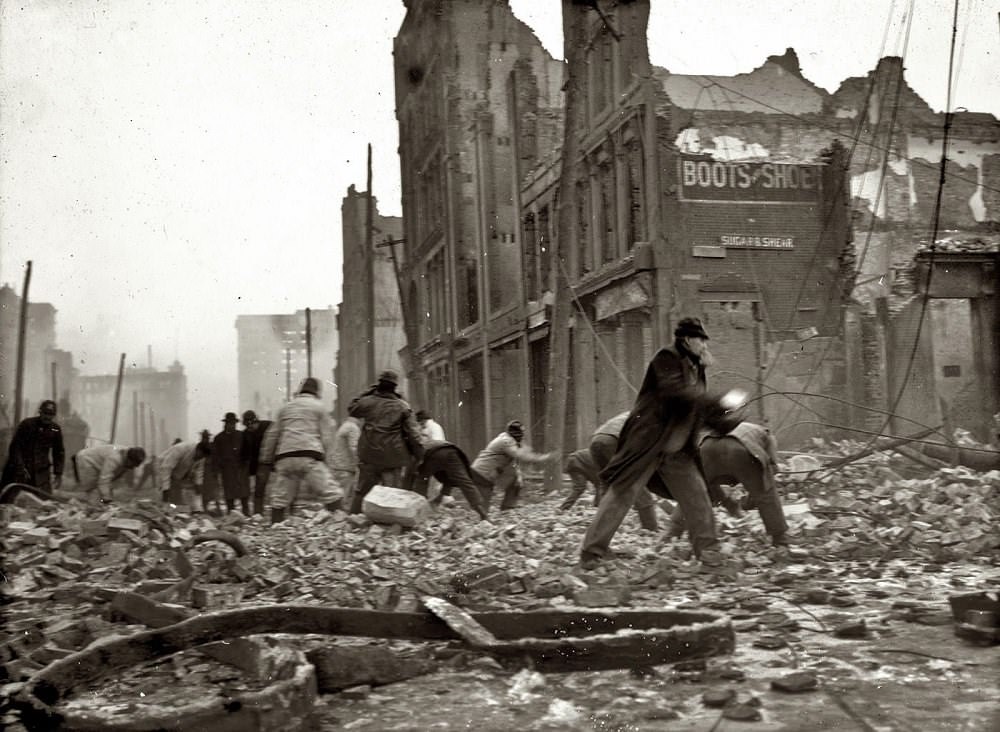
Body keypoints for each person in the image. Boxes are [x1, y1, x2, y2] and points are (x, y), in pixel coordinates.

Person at [580, 317, 722, 571]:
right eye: (701, 340)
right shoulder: (665, 358)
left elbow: (698, 409)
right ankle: (592, 552)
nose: (704, 346)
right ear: (688, 340)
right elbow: (675, 393)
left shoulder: (696, 367)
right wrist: (714, 400)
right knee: (623, 493)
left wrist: (723, 416)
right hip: (649, 443)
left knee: (696, 494)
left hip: (677, 449)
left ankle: (709, 551)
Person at [259, 377, 343, 524]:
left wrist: (266, 459)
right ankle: (340, 528)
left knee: (279, 498)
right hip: (309, 455)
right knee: (331, 493)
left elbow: (272, 435)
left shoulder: (286, 408)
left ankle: (275, 529)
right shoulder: (318, 407)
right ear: (317, 391)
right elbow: (327, 437)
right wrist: (329, 462)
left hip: (285, 457)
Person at [559, 412, 659, 530]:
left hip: (596, 440)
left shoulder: (634, 413)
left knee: (606, 484)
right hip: (612, 441)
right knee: (635, 483)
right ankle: (650, 527)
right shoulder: (652, 417)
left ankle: (600, 525)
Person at [347, 369, 425, 513]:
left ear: (378, 385)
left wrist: (367, 392)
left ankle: (352, 524)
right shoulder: (403, 406)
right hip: (393, 458)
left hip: (369, 455)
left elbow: (352, 408)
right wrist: (420, 456)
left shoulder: (368, 402)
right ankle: (391, 529)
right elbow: (414, 434)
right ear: (394, 387)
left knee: (362, 493)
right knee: (392, 496)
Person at [470, 420, 552, 512]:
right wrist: (542, 458)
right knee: (483, 500)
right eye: (521, 433)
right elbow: (520, 455)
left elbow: (515, 461)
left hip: (487, 471)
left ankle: (507, 508)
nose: (522, 435)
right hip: (482, 472)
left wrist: (519, 475)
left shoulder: (508, 440)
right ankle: (481, 519)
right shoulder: (506, 441)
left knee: (515, 481)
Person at [404, 440, 490, 521]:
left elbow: (412, 479)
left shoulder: (412, 453)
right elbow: (449, 481)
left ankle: (421, 512)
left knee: (422, 480)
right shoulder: (420, 447)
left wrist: (409, 498)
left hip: (434, 454)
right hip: (451, 452)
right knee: (464, 482)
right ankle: (482, 513)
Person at [1, 400, 65, 493]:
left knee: (43, 501)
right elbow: (15, 447)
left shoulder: (55, 429)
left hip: (41, 472)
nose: (47, 417)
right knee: (11, 499)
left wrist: (58, 473)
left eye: (51, 414)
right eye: (45, 413)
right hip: (20, 469)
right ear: (40, 412)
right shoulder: (27, 424)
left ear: (54, 415)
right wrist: (20, 467)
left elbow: (59, 452)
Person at [72, 445, 146, 502]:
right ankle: (70, 500)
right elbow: (104, 480)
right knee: (89, 487)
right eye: (132, 464)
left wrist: (109, 493)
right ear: (129, 459)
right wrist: (106, 498)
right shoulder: (114, 458)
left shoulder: (128, 455)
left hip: (97, 462)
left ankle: (90, 501)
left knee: (96, 490)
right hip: (86, 459)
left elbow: (114, 477)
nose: (133, 467)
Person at [210, 412, 250, 514]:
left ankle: (246, 513)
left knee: (244, 492)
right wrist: (216, 470)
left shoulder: (241, 435)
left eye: (233, 423)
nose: (232, 425)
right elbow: (215, 455)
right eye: (230, 423)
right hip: (227, 470)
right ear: (225, 424)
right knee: (229, 493)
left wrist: (246, 464)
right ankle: (231, 514)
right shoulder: (218, 438)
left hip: (240, 469)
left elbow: (247, 451)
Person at [155, 438, 210, 508]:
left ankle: (177, 509)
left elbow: (199, 474)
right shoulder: (181, 449)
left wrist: (198, 488)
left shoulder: (202, 456)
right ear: (198, 449)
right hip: (163, 466)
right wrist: (166, 490)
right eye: (200, 456)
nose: (200, 458)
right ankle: (161, 510)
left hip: (178, 471)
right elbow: (166, 469)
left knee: (177, 497)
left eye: (202, 457)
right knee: (163, 493)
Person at [241, 410, 272, 516]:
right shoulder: (246, 434)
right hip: (260, 464)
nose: (249, 428)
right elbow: (245, 452)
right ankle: (258, 513)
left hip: (274, 460)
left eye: (250, 425)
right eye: (246, 425)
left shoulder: (268, 426)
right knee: (259, 489)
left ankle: (285, 513)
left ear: (254, 421)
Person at [330, 415, 361, 510]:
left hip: (337, 467)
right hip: (345, 469)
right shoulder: (353, 428)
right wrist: (360, 464)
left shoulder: (344, 426)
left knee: (337, 498)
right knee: (343, 501)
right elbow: (355, 448)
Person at [415, 409, 446, 501]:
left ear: (424, 420)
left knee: (433, 482)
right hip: (430, 457)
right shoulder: (425, 428)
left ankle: (432, 501)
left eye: (420, 423)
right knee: (426, 480)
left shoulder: (434, 427)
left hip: (435, 456)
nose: (420, 425)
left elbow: (437, 443)